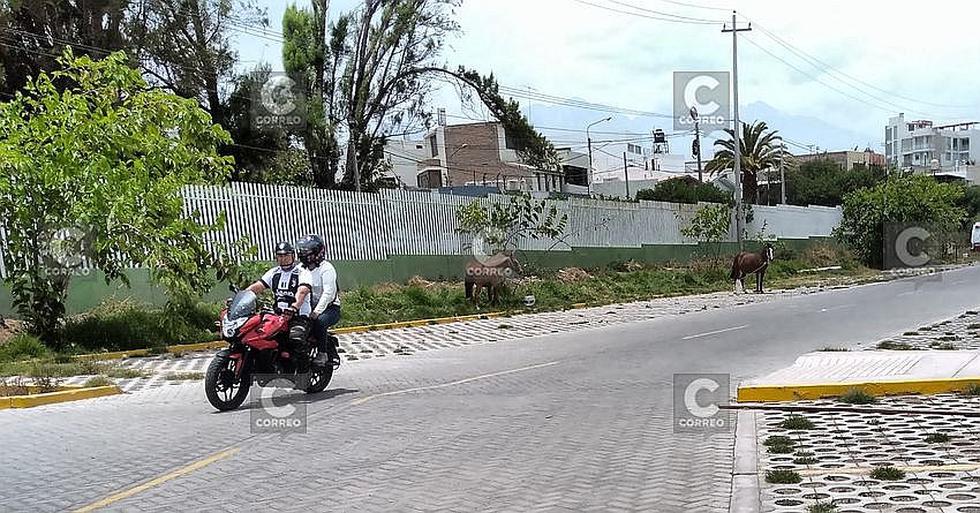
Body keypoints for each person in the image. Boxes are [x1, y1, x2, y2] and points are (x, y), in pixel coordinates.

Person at [248, 242, 312, 373]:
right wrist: (242, 295)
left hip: (298, 316)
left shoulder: (302, 272)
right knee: (258, 335)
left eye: (286, 255)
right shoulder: (274, 273)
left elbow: (302, 291)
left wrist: (294, 307)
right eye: (280, 256)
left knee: (296, 339)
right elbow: (258, 286)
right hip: (277, 316)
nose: (283, 258)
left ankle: (303, 372)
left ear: (293, 256)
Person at [292, 234, 342, 369]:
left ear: (317, 252)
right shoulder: (300, 269)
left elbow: (328, 294)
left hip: (330, 309)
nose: (303, 254)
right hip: (308, 306)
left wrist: (316, 312)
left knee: (319, 322)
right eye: (301, 251)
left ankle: (322, 353)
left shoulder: (326, 268)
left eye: (306, 251)